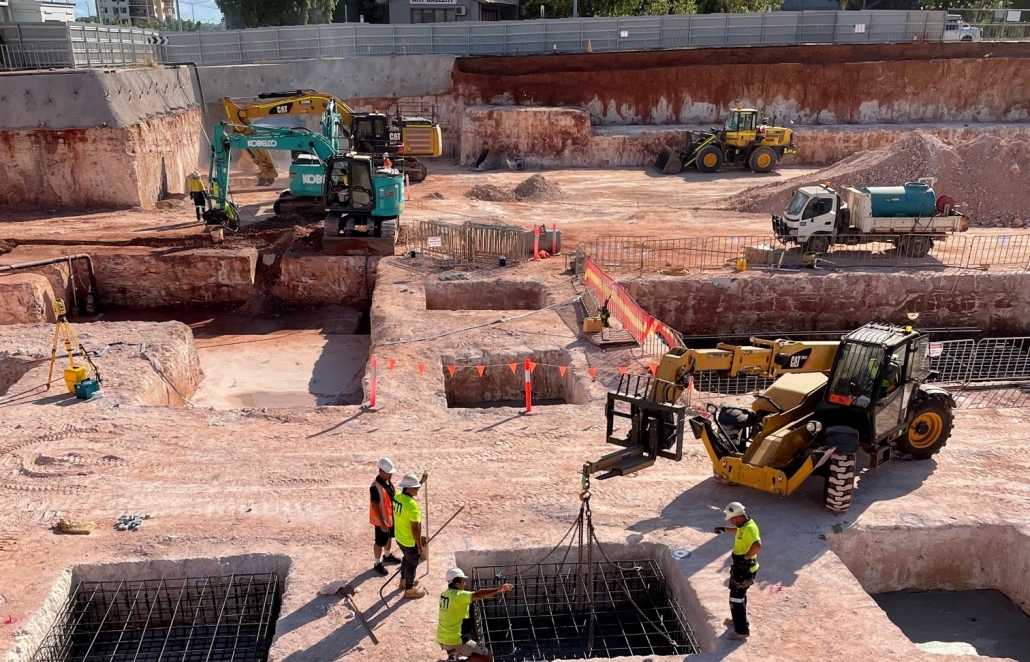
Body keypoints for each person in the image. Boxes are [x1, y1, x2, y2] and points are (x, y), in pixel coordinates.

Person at [437, 567, 513, 662]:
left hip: (442, 637)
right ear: (456, 584)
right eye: (463, 581)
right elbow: (479, 594)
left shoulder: (444, 594)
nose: (465, 583)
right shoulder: (459, 596)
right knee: (487, 656)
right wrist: (499, 589)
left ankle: (453, 655)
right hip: (456, 640)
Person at [713, 501, 761, 641]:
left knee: (735, 599)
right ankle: (737, 619)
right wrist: (724, 529)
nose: (732, 522)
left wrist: (745, 558)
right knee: (740, 596)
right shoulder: (744, 525)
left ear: (738, 518)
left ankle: (741, 631)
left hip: (745, 569)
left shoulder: (750, 528)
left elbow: (757, 545)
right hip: (740, 567)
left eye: (732, 520)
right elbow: (737, 531)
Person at [393, 472, 426, 599]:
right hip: (410, 541)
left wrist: (421, 482)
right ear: (408, 488)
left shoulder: (397, 497)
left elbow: (410, 492)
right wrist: (419, 545)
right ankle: (409, 589)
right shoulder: (412, 506)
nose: (417, 489)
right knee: (412, 564)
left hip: (400, 537)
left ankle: (403, 580)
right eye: (416, 488)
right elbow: (415, 529)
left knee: (406, 558)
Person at [370, 458, 402, 576]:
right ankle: (377, 563)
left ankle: (387, 556)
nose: (391, 474)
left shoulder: (388, 482)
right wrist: (382, 522)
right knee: (379, 542)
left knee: (389, 537)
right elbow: (374, 506)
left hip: (390, 519)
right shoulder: (375, 487)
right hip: (381, 522)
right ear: (381, 472)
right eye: (389, 473)